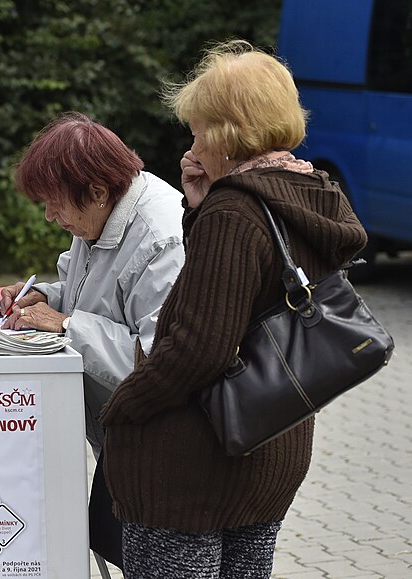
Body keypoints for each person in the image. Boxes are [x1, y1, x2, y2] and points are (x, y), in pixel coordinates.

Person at [98, 40, 368, 578]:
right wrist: (199, 209)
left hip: (198, 465)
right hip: (274, 443)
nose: (192, 142)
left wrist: (124, 405)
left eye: (198, 128)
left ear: (227, 131)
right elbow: (249, 297)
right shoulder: (311, 191)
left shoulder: (236, 211)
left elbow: (201, 347)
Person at [0, 112, 185, 458]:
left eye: (55, 202)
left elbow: (158, 361)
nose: (49, 216)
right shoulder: (101, 211)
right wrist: (46, 298)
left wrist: (66, 324)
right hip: (123, 436)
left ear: (97, 191)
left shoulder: (162, 241)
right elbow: (93, 291)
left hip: (161, 449)